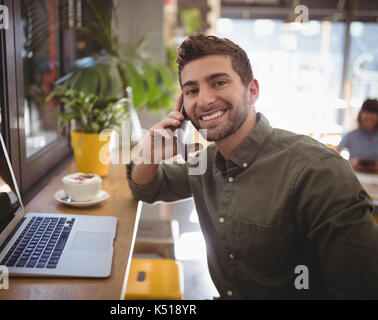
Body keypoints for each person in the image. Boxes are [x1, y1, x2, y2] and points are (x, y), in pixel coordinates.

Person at [126, 34, 378, 299]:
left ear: (252, 91)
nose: (204, 100)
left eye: (219, 82)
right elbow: (146, 188)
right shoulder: (205, 163)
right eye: (192, 91)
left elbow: (361, 290)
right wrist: (151, 154)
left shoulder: (318, 172)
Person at [337, 99, 378, 172]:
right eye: (365, 120)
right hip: (354, 175)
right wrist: (346, 163)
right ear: (360, 117)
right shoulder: (351, 135)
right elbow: (335, 152)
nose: (369, 124)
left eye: (372, 120)